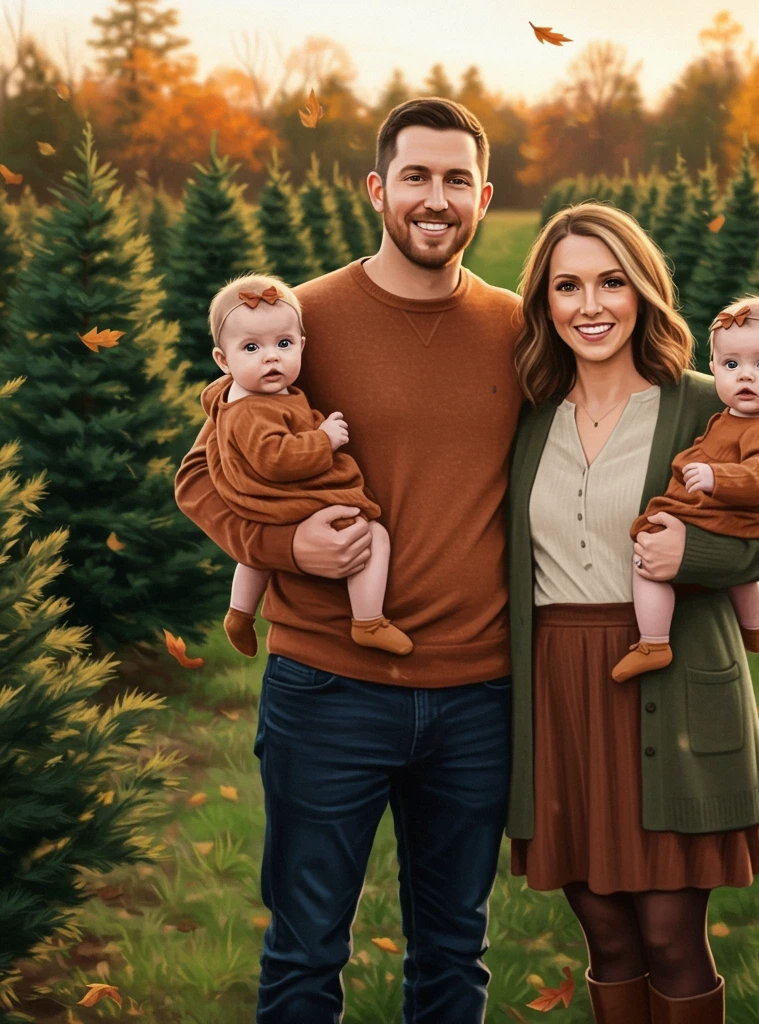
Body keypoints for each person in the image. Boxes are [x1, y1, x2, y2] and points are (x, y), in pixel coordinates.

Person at [174, 98, 522, 1024]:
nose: (435, 198)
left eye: (456, 180)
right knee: (304, 950)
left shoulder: (523, 330)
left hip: (478, 694)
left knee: (454, 955)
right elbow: (199, 474)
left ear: (484, 196)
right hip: (329, 689)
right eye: (415, 176)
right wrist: (287, 546)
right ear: (378, 187)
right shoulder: (300, 320)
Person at [505, 203, 759, 1024]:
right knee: (605, 936)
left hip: (669, 682)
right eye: (568, 285)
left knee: (671, 935)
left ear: (644, 291)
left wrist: (699, 559)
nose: (591, 304)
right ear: (544, 301)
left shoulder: (706, 404)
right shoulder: (529, 415)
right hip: (560, 693)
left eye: (612, 281)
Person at [612, 294, 759, 683]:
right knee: (741, 578)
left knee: (646, 562)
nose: (745, 375)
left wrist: (717, 479)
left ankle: (654, 642)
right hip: (733, 510)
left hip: (731, 509)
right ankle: (752, 627)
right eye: (731, 364)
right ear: (714, 369)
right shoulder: (736, 411)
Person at [202, 272, 412, 660]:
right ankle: (368, 620)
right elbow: (274, 457)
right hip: (284, 495)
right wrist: (324, 439)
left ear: (302, 344)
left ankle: (239, 612)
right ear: (222, 360)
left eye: (283, 344)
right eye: (251, 348)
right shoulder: (251, 408)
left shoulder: (254, 395)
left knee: (256, 558)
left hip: (271, 501)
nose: (271, 357)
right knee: (372, 536)